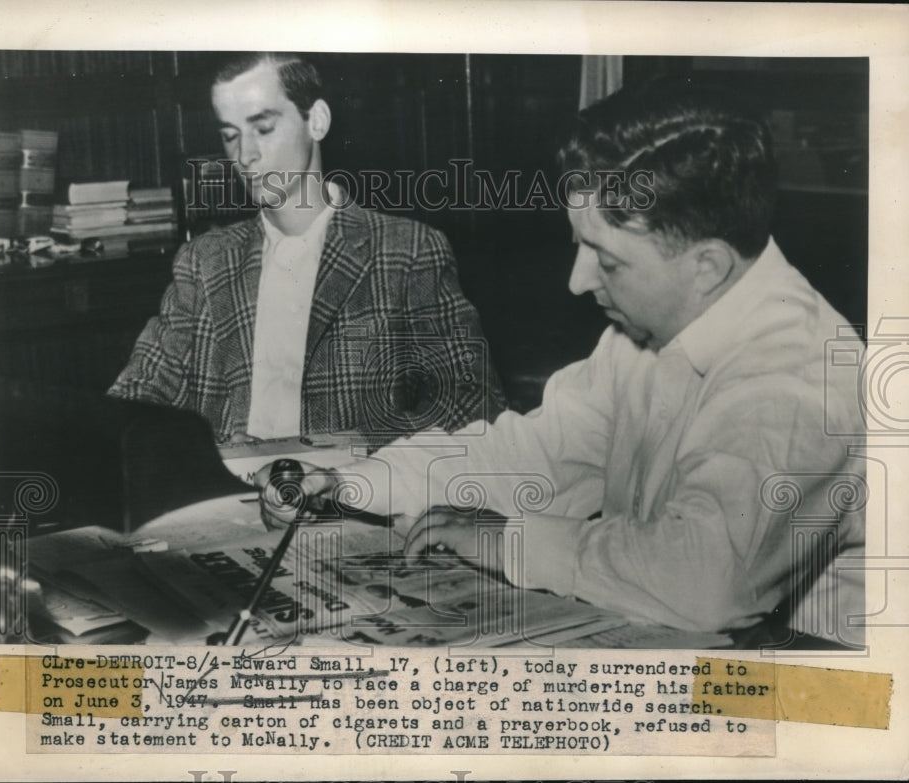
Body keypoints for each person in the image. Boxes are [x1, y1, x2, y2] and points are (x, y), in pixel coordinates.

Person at [259, 77, 866, 641]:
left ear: (705, 265)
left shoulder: (799, 374)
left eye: (606, 258)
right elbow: (534, 458)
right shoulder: (657, 329)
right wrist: (349, 486)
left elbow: (704, 582)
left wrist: (506, 542)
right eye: (579, 245)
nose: (577, 281)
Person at [109, 52, 505, 445]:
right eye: (230, 135)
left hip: (355, 496)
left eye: (263, 129)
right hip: (227, 497)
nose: (244, 155)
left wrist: (343, 460)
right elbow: (138, 397)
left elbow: (473, 408)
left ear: (316, 121)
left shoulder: (408, 251)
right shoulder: (205, 261)